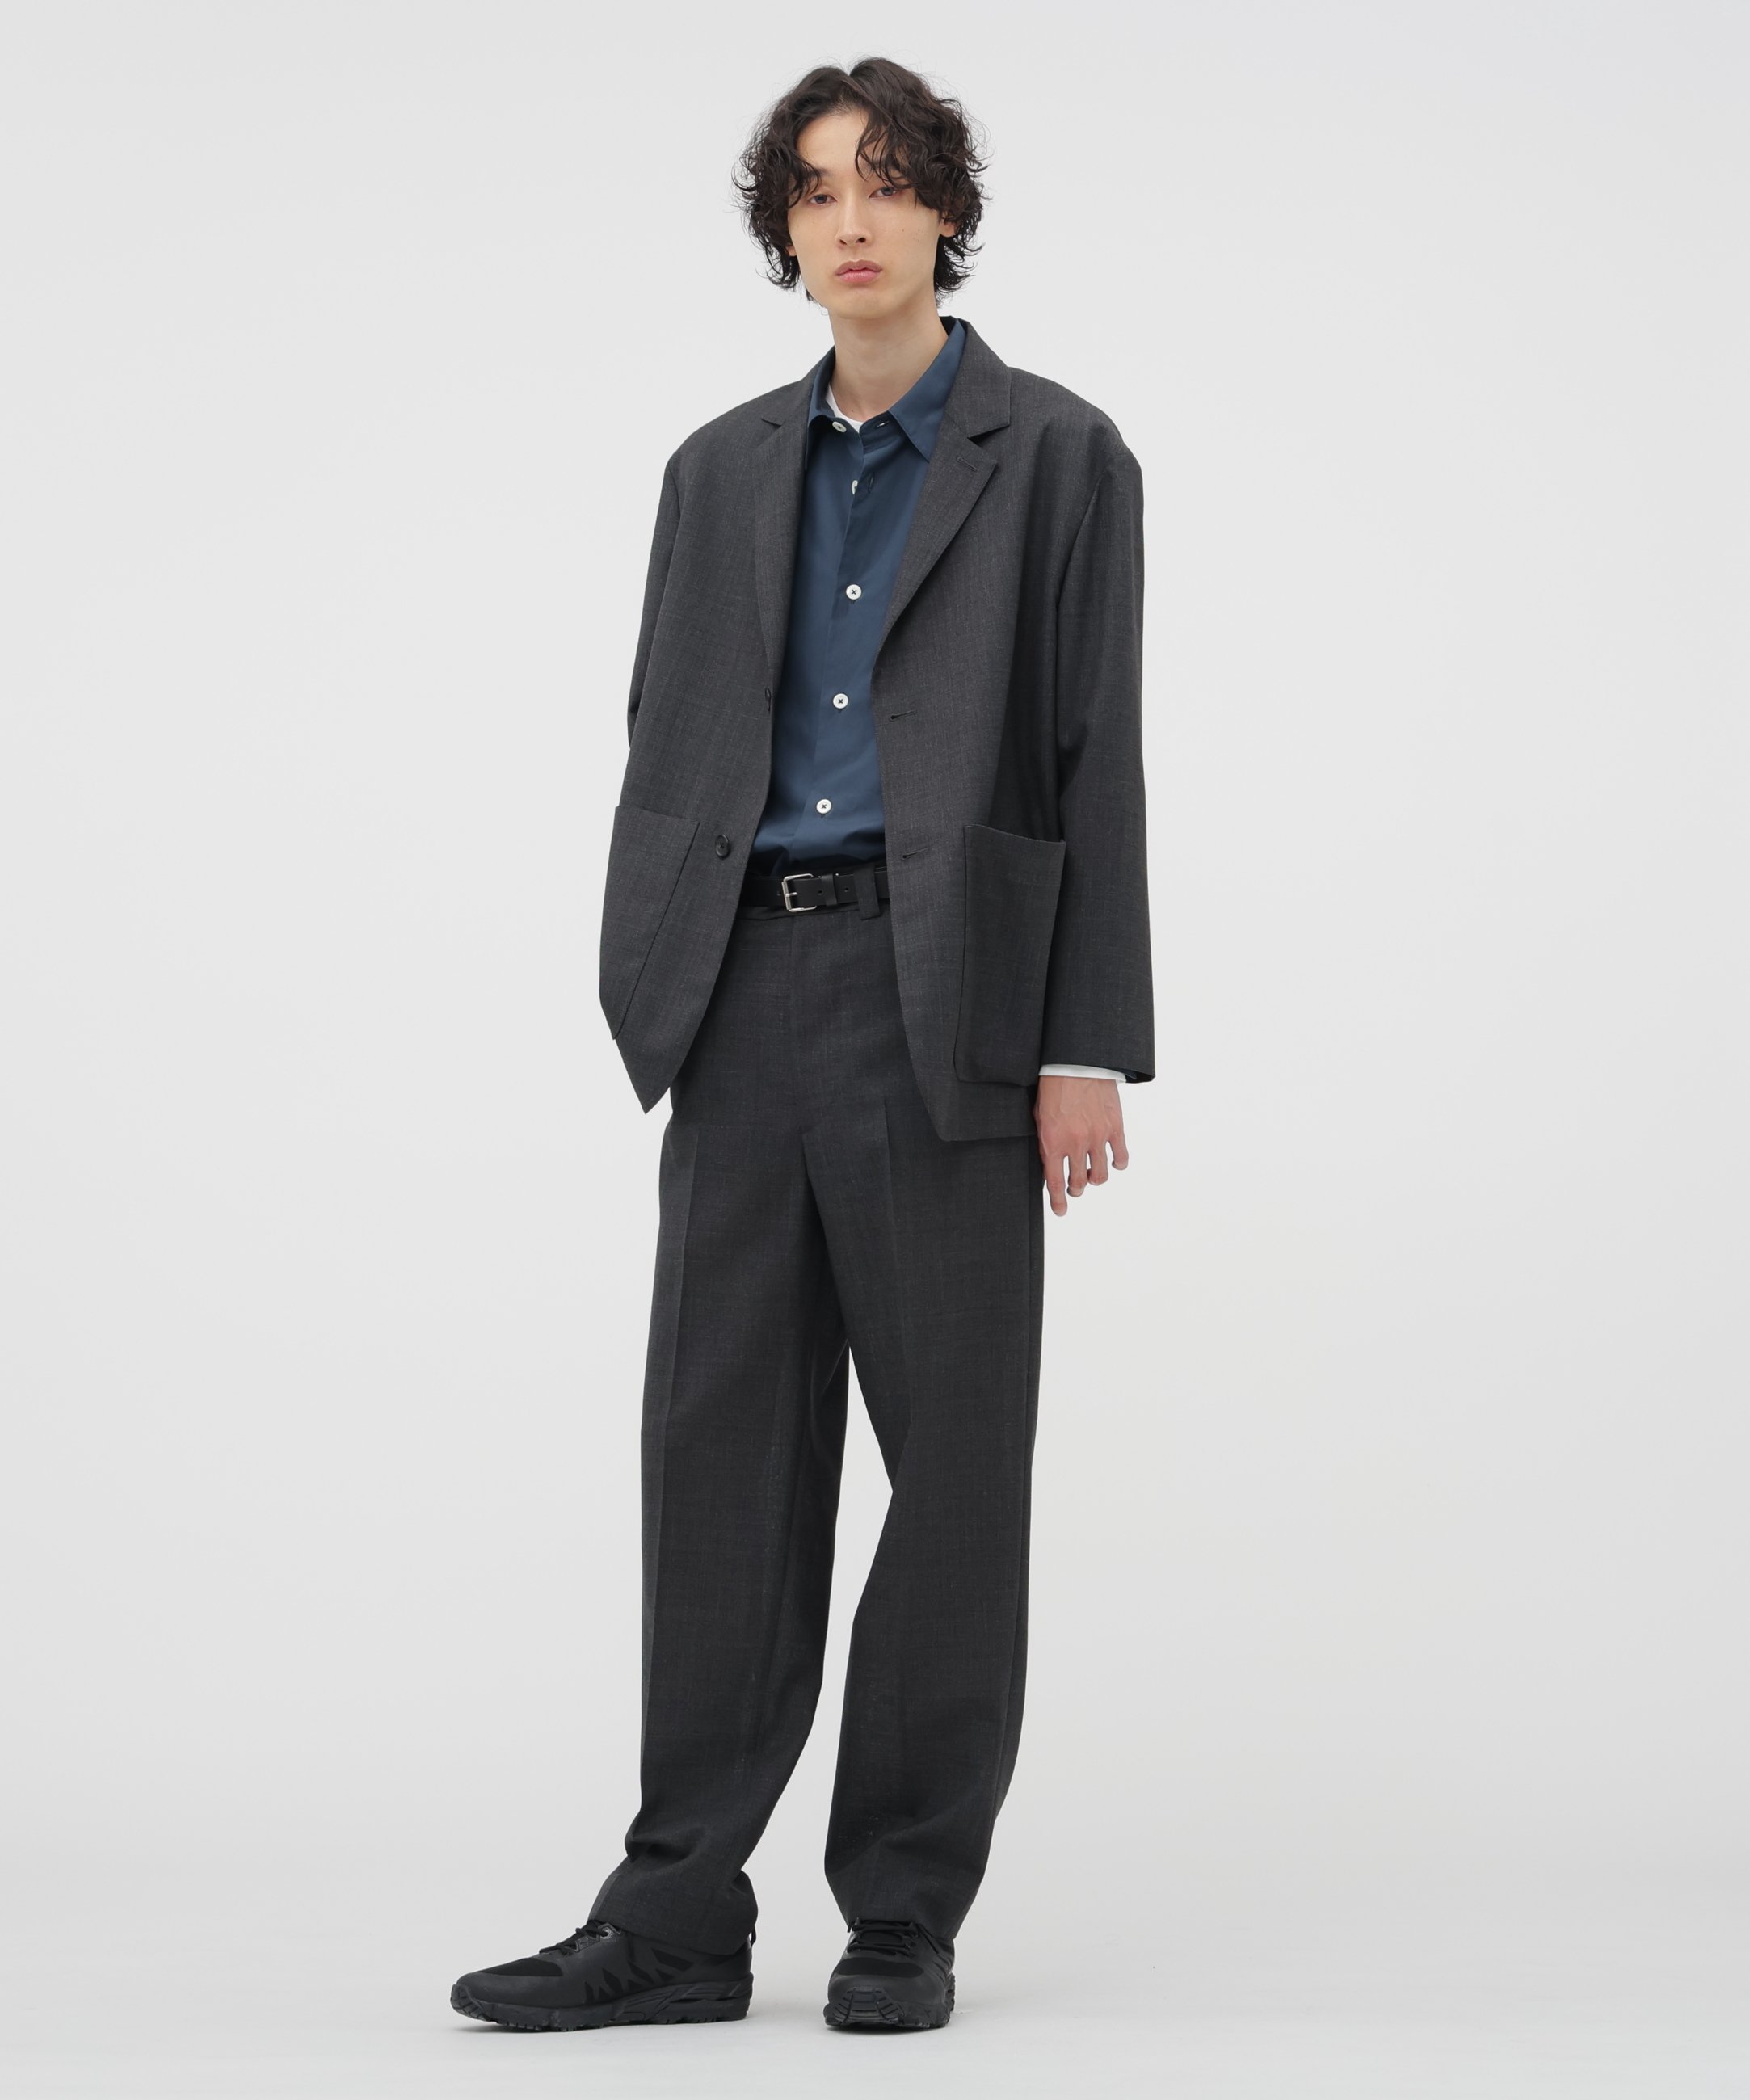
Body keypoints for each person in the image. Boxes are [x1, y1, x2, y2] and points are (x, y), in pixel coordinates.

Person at [451, 53, 1152, 2035]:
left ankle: (904, 1906)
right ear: (784, 226)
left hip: (952, 1006)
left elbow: (1095, 752)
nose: (853, 217)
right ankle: (677, 1912)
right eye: (819, 187)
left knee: (955, 1469)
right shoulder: (718, 469)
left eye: (891, 180)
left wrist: (1081, 1041)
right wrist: (654, 962)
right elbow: (668, 724)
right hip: (742, 995)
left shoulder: (1060, 455)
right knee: (719, 1461)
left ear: (948, 213)